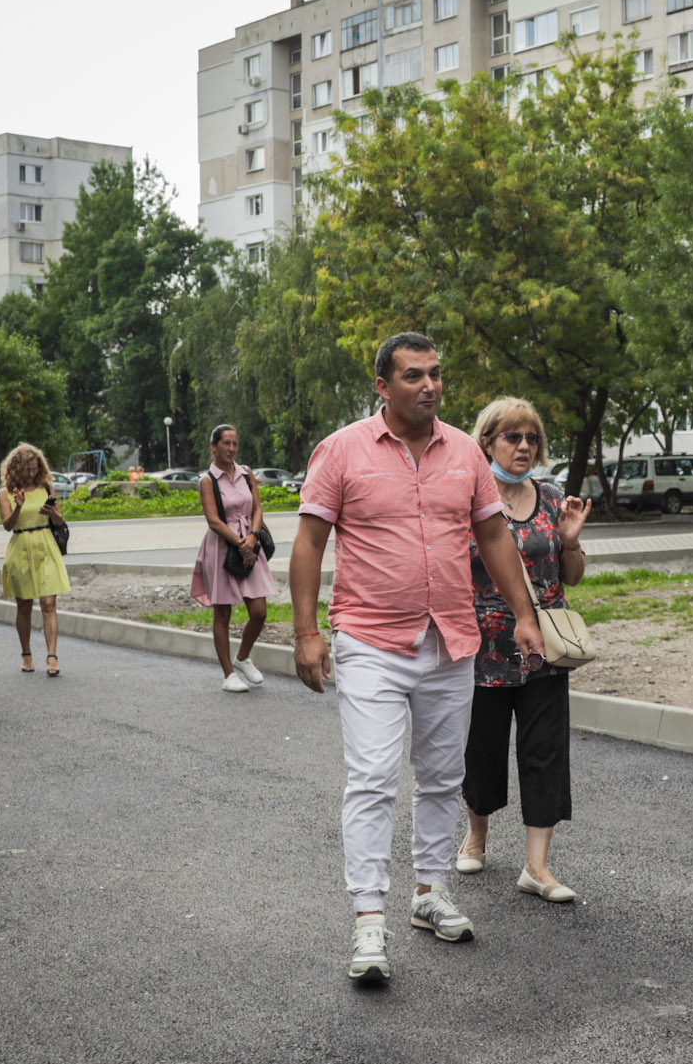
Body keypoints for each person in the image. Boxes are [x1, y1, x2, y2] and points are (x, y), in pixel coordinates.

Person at [290, 332, 543, 987]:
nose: (429, 385)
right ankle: (368, 918)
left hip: (450, 640)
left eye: (435, 374)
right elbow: (309, 542)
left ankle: (429, 892)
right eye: (413, 375)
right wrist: (305, 631)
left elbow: (493, 536)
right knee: (373, 777)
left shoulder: (465, 452)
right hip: (370, 640)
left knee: (440, 775)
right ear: (383, 386)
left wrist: (524, 615)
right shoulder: (342, 450)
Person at [454, 397, 591, 901]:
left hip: (545, 651)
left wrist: (570, 542)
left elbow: (571, 576)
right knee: (482, 751)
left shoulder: (551, 498)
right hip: (484, 648)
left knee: (544, 753)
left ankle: (537, 867)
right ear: (487, 442)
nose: (524, 446)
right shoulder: (469, 496)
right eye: (512, 437)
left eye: (532, 438)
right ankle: (476, 836)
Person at [194, 425, 277, 692]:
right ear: (214, 446)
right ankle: (228, 674)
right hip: (221, 548)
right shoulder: (207, 480)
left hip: (250, 543)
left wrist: (252, 536)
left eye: (235, 444)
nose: (231, 449)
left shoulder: (246, 473)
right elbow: (213, 521)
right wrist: (241, 544)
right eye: (226, 443)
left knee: (259, 612)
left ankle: (242, 657)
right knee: (223, 613)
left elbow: (257, 508)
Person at [0, 443, 71, 677]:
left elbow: (59, 521)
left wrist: (54, 514)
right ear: (16, 468)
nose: (32, 473)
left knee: (48, 603)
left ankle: (52, 656)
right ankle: (26, 653)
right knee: (24, 605)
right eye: (27, 469)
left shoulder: (46, 487)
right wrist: (18, 507)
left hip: (46, 545)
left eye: (35, 468)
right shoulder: (5, 493)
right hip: (20, 547)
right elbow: (8, 525)